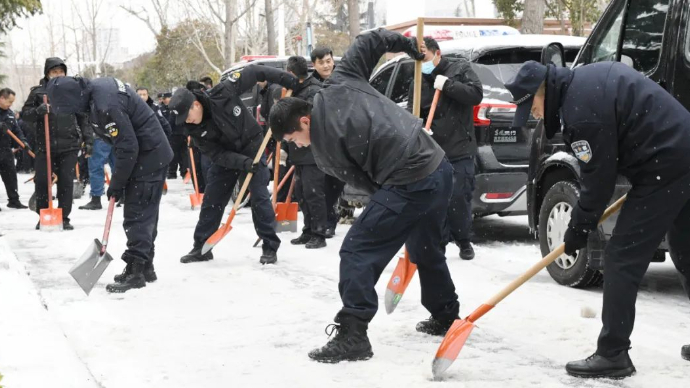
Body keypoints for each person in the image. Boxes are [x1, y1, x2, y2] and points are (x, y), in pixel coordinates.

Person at [270, 29, 460, 363]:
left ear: (303, 120)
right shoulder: (341, 79)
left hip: (410, 177)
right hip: (438, 165)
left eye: (291, 138)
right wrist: (409, 47)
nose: (293, 146)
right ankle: (446, 314)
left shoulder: (324, 152)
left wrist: (390, 206)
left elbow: (367, 184)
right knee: (424, 246)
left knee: (357, 250)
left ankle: (353, 333)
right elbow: (368, 42)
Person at [505, 60, 690, 378]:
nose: (533, 115)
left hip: (666, 164)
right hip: (680, 151)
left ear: (542, 90)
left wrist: (578, 227)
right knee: (686, 249)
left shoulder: (580, 110)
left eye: (531, 107)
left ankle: (613, 353)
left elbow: (597, 179)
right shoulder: (583, 85)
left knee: (620, 257)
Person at [47, 76, 173, 293]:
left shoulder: (106, 105)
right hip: (149, 154)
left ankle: (135, 271)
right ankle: (145, 266)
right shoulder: (96, 90)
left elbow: (128, 146)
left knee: (137, 214)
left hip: (148, 157)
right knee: (145, 213)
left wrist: (117, 183)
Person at [170, 65, 298, 265]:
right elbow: (217, 154)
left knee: (259, 196)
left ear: (196, 104)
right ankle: (202, 246)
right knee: (213, 198)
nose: (188, 121)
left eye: (187, 115)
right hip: (227, 156)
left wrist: (286, 79)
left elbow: (255, 72)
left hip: (252, 144)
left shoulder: (223, 91)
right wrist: (243, 163)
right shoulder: (192, 129)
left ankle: (269, 245)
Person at [407, 37, 483, 260]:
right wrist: (419, 130)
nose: (423, 63)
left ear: (437, 53)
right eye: (418, 60)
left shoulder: (459, 69)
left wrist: (448, 85)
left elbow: (476, 95)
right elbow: (414, 112)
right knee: (434, 199)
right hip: (432, 150)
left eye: (426, 58)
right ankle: (437, 242)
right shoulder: (418, 81)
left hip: (460, 146)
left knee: (459, 195)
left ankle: (463, 240)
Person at [284, 56, 327, 249]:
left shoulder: (314, 90)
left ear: (292, 73)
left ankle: (319, 232)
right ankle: (308, 229)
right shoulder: (296, 90)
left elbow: (309, 118)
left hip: (312, 151)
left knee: (313, 192)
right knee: (301, 192)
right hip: (298, 151)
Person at [311, 45, 343, 237]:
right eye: (321, 62)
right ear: (314, 64)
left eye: (328, 61)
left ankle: (330, 218)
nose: (326, 65)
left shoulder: (342, 79)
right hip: (318, 141)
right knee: (319, 185)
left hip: (339, 139)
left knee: (335, 183)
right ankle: (327, 220)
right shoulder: (311, 85)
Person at [0, 88, 30, 210]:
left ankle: (13, 200)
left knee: (11, 176)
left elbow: (17, 131)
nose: (11, 104)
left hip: (6, 150)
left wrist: (23, 142)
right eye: (9, 101)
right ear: (1, 98)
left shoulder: (10, 114)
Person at [161, 91, 186, 179]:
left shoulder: (176, 107)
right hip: (172, 134)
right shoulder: (162, 108)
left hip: (179, 133)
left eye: (166, 99)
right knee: (174, 154)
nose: (164, 101)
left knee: (183, 153)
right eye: (163, 99)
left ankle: (184, 171)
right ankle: (172, 172)